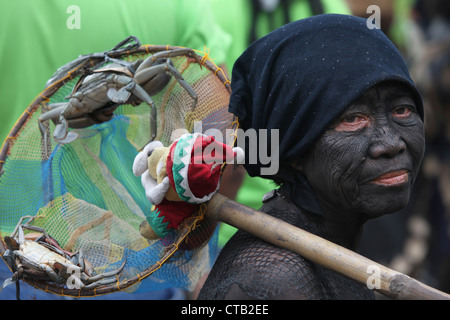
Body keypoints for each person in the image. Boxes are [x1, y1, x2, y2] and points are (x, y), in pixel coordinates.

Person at [0, 0, 230, 300]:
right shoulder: (178, 5)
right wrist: (196, 250)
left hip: (15, 248)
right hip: (145, 264)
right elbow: (220, 123)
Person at [198, 14, 425, 299]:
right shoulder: (274, 278)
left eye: (402, 110)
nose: (391, 143)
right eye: (353, 119)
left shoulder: (334, 242)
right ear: (292, 149)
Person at [210, 0, 352, 248]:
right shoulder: (336, 13)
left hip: (233, 225)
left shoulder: (205, 10)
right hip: (312, 228)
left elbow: (207, 127)